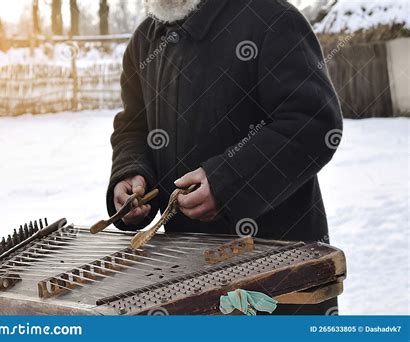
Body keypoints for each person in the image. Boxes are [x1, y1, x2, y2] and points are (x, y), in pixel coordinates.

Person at [105, 0, 343, 315]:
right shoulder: (146, 38)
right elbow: (134, 126)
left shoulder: (272, 19)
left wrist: (226, 182)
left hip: (279, 274)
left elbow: (313, 123)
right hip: (186, 272)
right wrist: (131, 173)